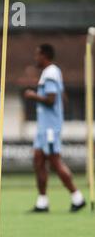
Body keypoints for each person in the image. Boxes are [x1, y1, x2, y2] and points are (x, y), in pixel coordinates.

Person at [24, 44, 85, 213]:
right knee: (38, 160)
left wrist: (32, 95)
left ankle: (77, 197)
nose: (35, 58)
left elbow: (51, 99)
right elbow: (62, 98)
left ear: (45, 55)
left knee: (54, 161)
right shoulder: (51, 73)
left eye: (37, 55)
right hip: (45, 126)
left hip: (49, 128)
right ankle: (42, 202)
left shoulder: (50, 72)